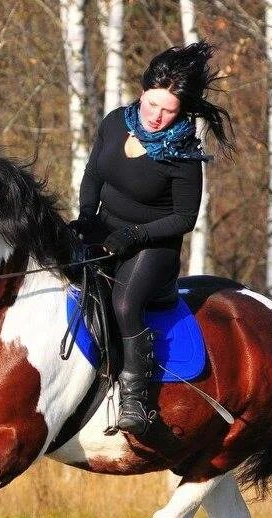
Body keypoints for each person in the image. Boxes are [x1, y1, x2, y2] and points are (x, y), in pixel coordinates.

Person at [69, 40, 234, 438]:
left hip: (152, 246)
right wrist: (86, 218)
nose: (158, 117)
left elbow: (184, 217)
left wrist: (134, 235)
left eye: (169, 111)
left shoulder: (184, 155)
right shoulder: (113, 122)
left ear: (182, 113)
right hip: (105, 229)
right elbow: (94, 173)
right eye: (152, 105)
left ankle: (137, 402)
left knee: (125, 303)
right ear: (142, 94)